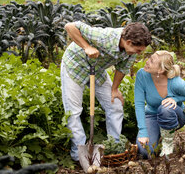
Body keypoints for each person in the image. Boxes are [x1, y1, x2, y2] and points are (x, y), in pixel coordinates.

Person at [61, 21, 152, 161]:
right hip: (75, 67)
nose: (139, 54)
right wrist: (87, 47)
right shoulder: (104, 37)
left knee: (115, 104)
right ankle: (79, 154)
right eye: (138, 50)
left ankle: (112, 145)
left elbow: (122, 68)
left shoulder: (131, 50)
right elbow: (70, 26)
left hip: (96, 69)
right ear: (128, 42)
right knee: (73, 111)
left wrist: (114, 89)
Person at [134, 50, 185, 158]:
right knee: (145, 152)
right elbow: (139, 104)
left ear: (160, 70)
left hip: (174, 115)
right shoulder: (142, 74)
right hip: (152, 115)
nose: (147, 61)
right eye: (149, 57)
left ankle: (168, 144)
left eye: (152, 61)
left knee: (165, 108)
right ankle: (159, 135)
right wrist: (143, 132)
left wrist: (175, 99)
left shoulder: (175, 82)